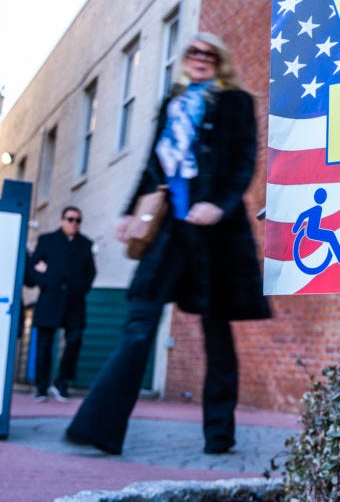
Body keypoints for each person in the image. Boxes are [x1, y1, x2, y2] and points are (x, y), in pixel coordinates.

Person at [65, 32, 271, 455]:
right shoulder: (172, 103)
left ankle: (219, 435)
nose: (199, 59)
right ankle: (99, 428)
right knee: (139, 321)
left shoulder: (235, 102)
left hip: (214, 235)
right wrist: (128, 212)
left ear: (221, 61)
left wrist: (220, 205)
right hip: (169, 232)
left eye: (208, 54)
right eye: (192, 52)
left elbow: (244, 163)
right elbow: (151, 166)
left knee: (216, 330)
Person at [26, 206, 97, 402]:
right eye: (70, 219)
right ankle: (41, 386)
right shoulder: (47, 241)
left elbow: (90, 273)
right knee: (44, 344)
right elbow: (32, 269)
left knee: (74, 340)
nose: (74, 223)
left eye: (78, 220)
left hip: (74, 302)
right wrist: (47, 281)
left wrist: (81, 288)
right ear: (62, 220)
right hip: (50, 300)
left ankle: (62, 382)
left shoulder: (85, 244)